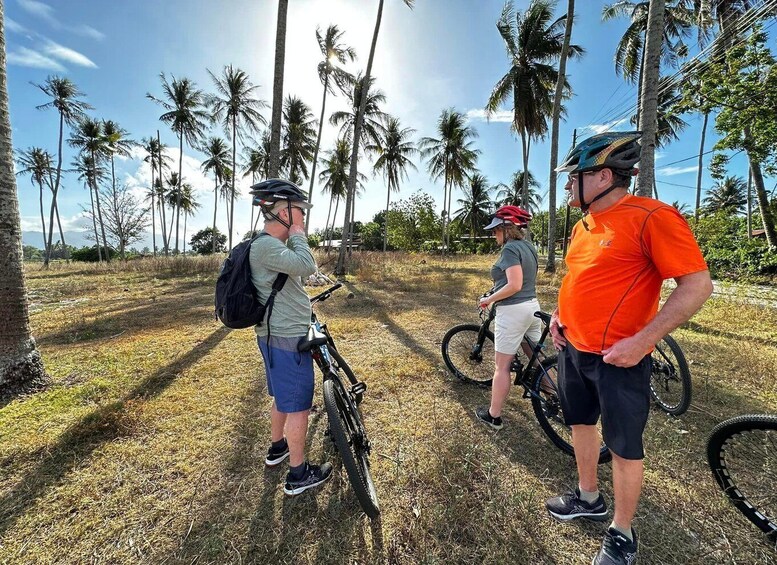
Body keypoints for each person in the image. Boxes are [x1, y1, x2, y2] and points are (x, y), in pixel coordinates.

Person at [545, 131, 712, 565]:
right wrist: (559, 317)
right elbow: (578, 279)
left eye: (572, 177)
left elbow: (696, 285)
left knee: (623, 446)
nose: (566, 185)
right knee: (580, 424)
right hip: (574, 350)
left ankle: (622, 532)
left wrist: (644, 341)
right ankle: (588, 497)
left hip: (621, 358)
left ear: (601, 176)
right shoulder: (583, 226)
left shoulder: (652, 216)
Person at [248, 178, 332, 496]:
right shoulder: (268, 246)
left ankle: (277, 448)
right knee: (298, 406)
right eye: (300, 212)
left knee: (283, 398)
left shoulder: (265, 246)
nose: (304, 218)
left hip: (273, 336)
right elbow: (307, 265)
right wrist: (298, 234)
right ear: (284, 211)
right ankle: (298, 475)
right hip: (286, 338)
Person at [474, 205, 543, 431]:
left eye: (496, 230)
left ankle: (493, 416)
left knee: (501, 367)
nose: (494, 234)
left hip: (513, 310)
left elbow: (514, 284)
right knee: (537, 357)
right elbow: (520, 281)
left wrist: (490, 299)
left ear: (506, 228)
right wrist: (496, 291)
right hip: (532, 306)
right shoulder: (528, 247)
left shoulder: (510, 249)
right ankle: (555, 394)